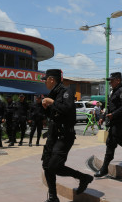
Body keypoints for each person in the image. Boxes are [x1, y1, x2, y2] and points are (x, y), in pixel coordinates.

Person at [41, 69, 93, 202]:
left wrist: (52, 103)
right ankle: (53, 197)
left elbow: (68, 108)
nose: (45, 82)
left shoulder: (66, 91)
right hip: (53, 135)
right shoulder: (53, 93)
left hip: (64, 135)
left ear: (51, 79)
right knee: (47, 165)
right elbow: (54, 115)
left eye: (45, 79)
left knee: (54, 166)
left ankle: (83, 177)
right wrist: (45, 108)